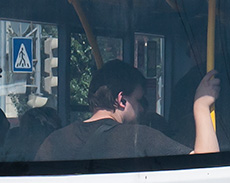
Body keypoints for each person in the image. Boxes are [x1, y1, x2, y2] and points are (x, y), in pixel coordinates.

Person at [37, 60, 219, 161]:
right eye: (140, 100)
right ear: (121, 100)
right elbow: (207, 166)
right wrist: (201, 105)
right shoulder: (137, 138)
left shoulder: (53, 142)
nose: (142, 109)